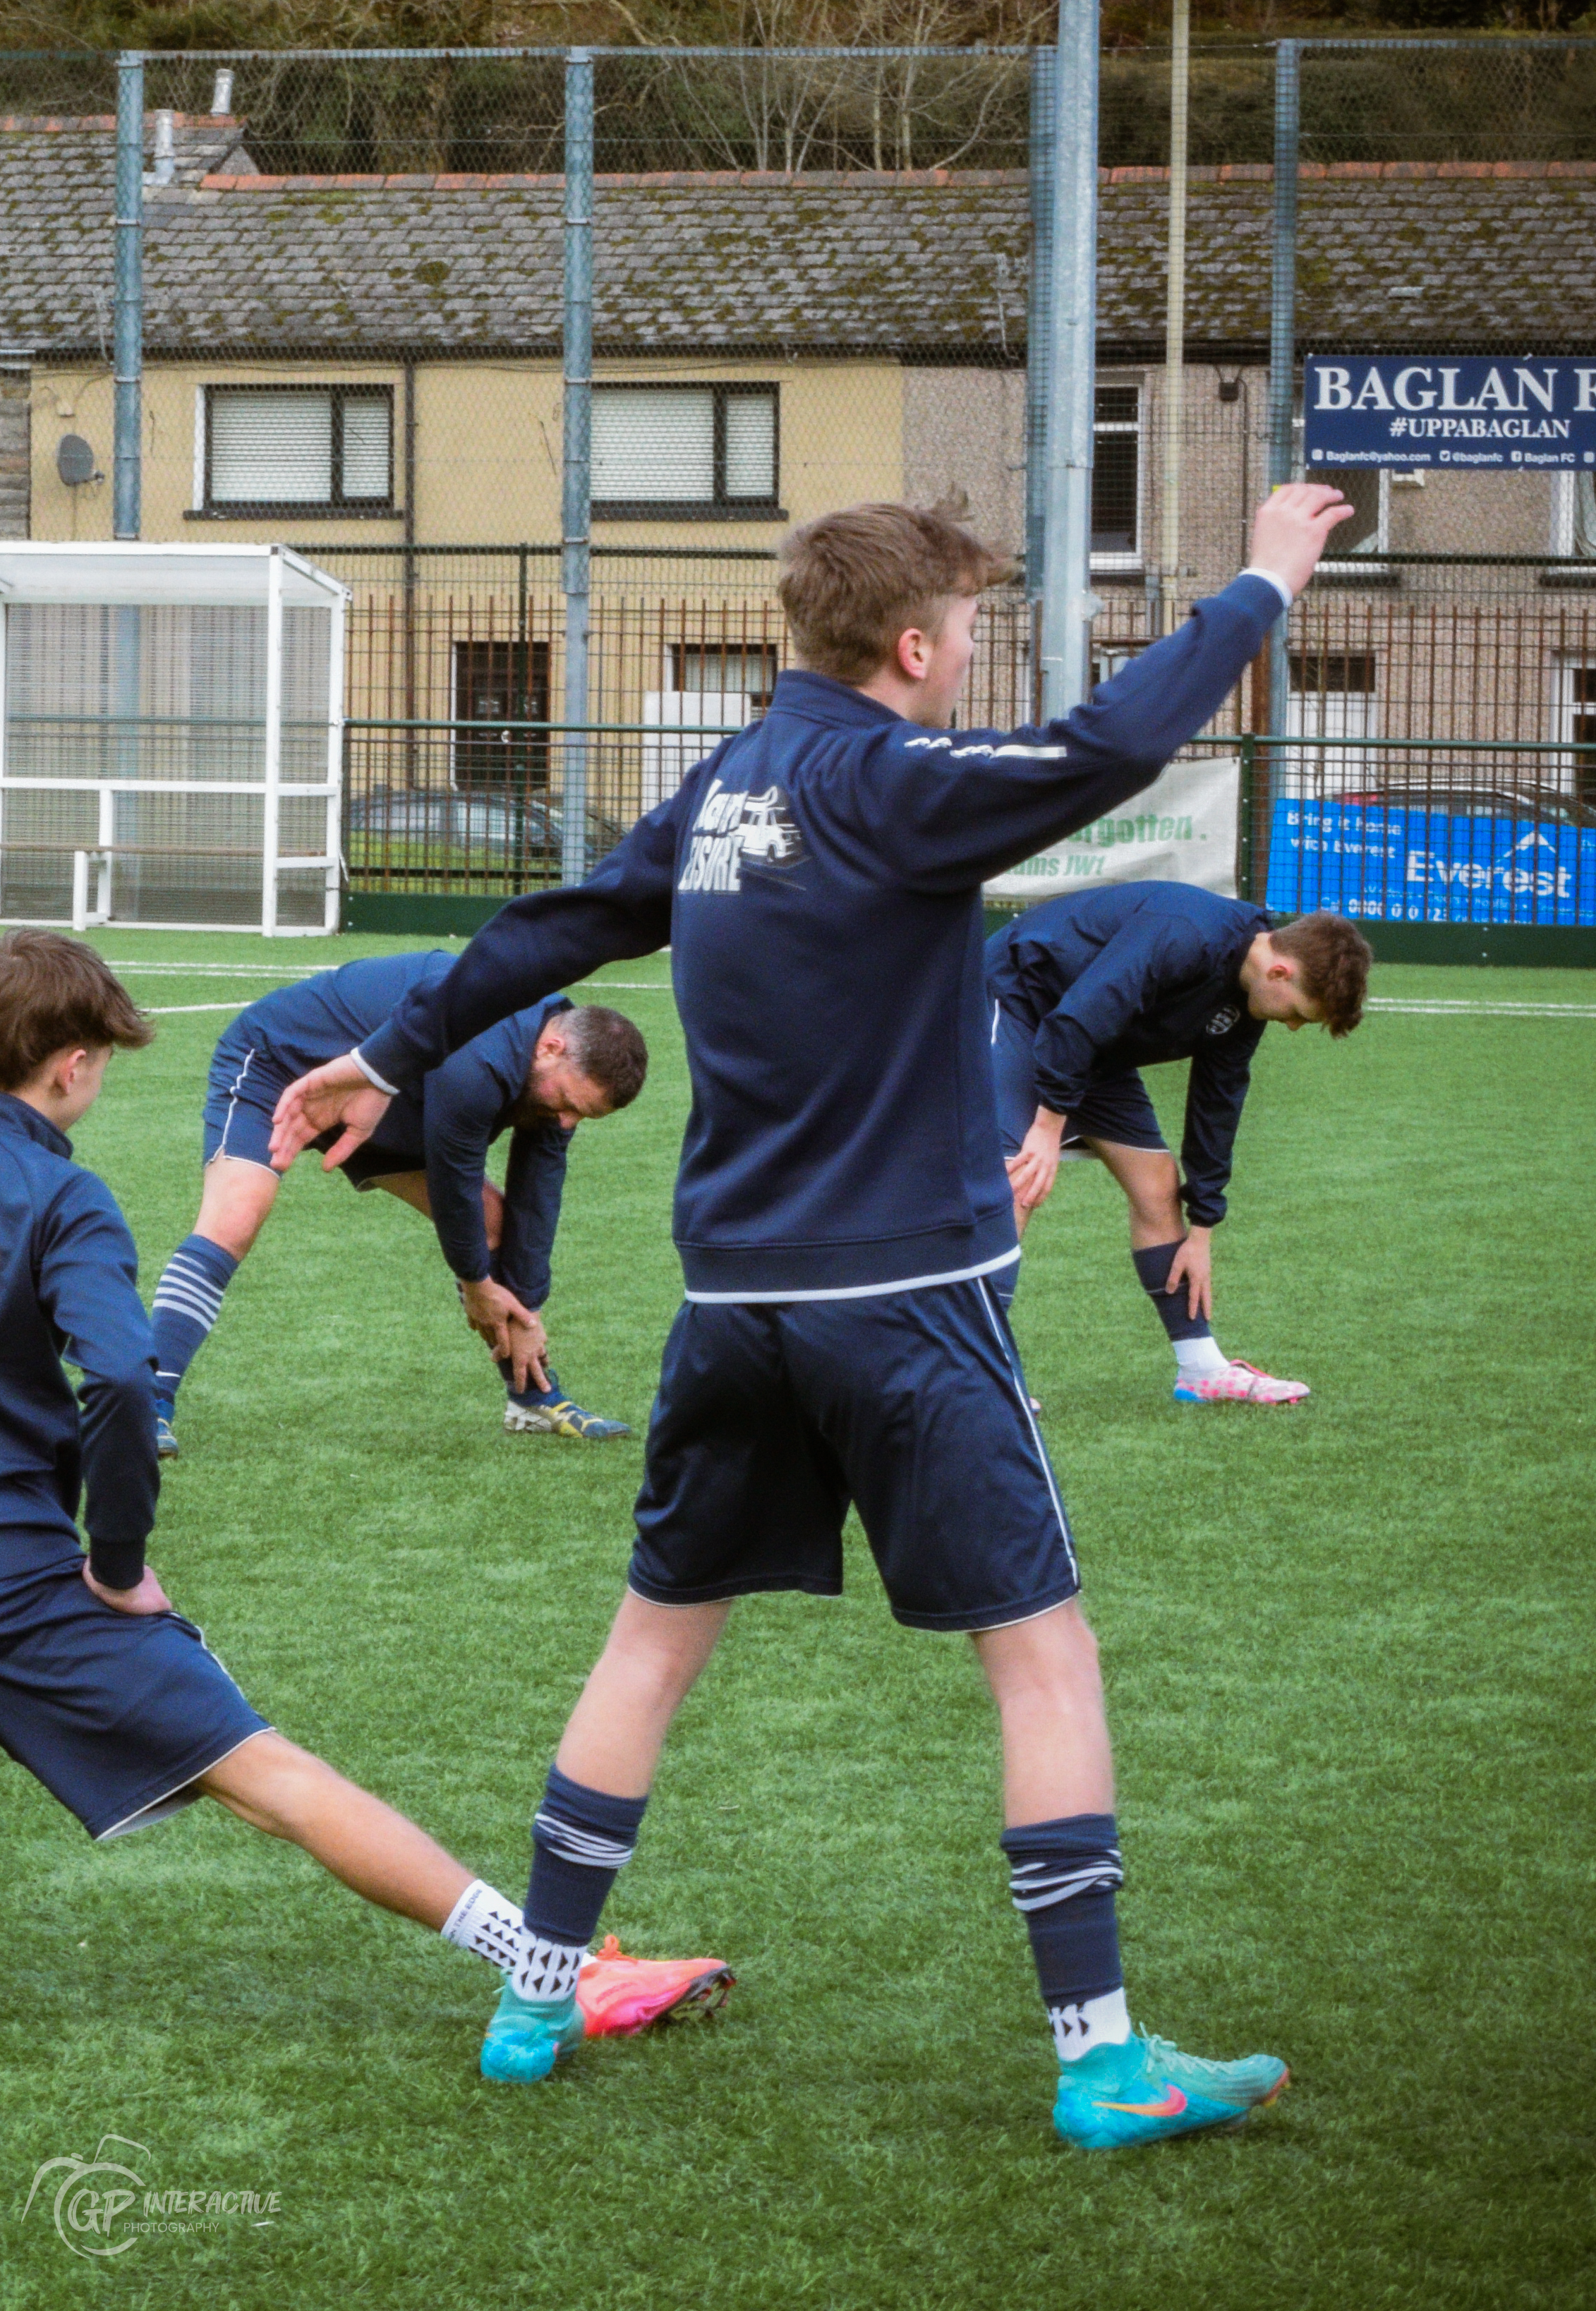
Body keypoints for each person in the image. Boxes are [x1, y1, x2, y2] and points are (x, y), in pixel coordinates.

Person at [272, 486, 1354, 2146]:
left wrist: (394, 1048)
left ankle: (536, 1988)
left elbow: (552, 927)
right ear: (911, 646)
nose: (978, 650)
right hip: (902, 1302)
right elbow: (1107, 744)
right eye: (971, 626)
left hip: (730, 1303)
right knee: (1040, 1652)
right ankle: (1101, 2057)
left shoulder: (723, 788)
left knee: (648, 1642)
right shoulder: (889, 782)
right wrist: (1260, 582)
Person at [0, 931, 696, 2039]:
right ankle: (547, 1961)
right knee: (272, 1777)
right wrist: (116, 1566)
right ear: (71, 1064)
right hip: (12, 1580)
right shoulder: (58, 1193)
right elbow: (120, 1376)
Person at [147, 954, 649, 1455]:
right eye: (565, 1103)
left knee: (494, 1225)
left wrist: (529, 1306)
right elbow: (454, 1181)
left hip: (392, 1103)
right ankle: (146, 1404)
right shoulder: (483, 1055)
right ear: (551, 1047)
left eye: (580, 1115)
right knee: (234, 1220)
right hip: (280, 1066)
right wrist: (476, 1285)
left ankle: (532, 1399)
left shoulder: (554, 1074)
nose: (565, 1123)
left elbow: (537, 1199)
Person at [986, 883, 1370, 1404]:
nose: (1296, 1026)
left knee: (1157, 1183)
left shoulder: (1249, 996)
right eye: (1300, 1012)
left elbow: (1218, 1104)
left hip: (1092, 1040)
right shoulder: (1186, 934)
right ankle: (978, 1374)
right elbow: (1081, 1015)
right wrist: (1048, 1126)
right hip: (1017, 1000)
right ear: (1281, 972)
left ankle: (1199, 1367)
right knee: (1018, 1179)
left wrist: (1203, 1228)